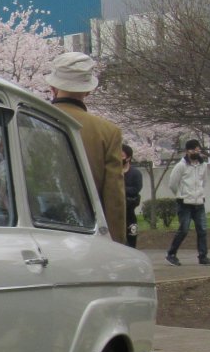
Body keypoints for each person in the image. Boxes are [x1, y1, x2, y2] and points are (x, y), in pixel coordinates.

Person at [45, 51, 126, 244]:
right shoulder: (108, 131)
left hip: (42, 233)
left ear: (52, 87)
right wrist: (117, 244)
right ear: (89, 90)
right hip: (89, 236)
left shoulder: (29, 122)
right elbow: (114, 199)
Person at [164, 139, 210, 265]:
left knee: (202, 230)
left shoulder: (203, 165)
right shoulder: (181, 165)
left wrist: (200, 193)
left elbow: (204, 181)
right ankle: (171, 254)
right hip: (184, 203)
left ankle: (203, 256)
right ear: (187, 151)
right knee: (184, 229)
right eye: (193, 150)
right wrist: (181, 195)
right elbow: (172, 184)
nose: (196, 152)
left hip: (199, 202)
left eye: (198, 150)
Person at [122, 143, 143, 248]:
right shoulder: (113, 172)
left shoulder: (135, 173)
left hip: (130, 210)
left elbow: (136, 189)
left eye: (122, 156)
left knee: (131, 235)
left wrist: (121, 189)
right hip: (116, 211)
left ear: (128, 157)